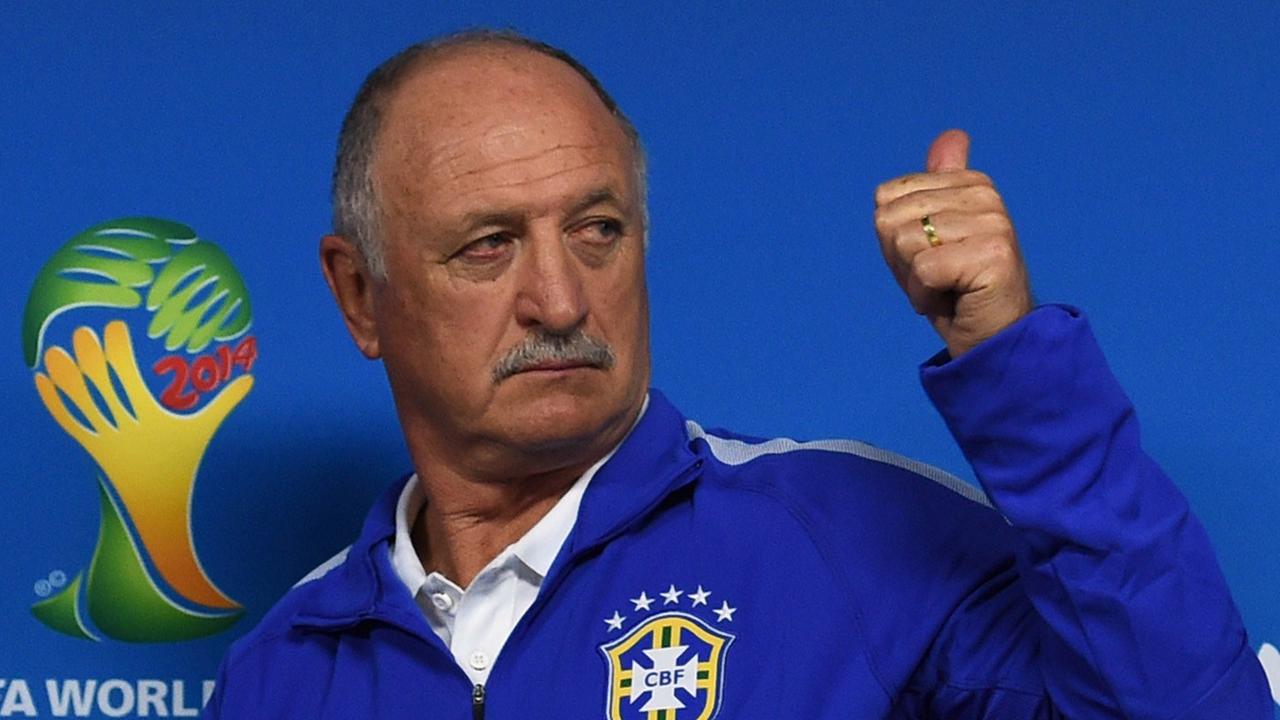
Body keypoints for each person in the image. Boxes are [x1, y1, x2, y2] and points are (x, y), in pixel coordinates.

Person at [204, 29, 1271, 719]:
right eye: (487, 246)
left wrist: (1009, 360)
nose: (561, 300)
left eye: (597, 230)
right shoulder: (282, 674)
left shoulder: (843, 538)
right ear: (358, 296)